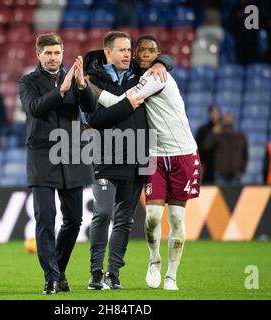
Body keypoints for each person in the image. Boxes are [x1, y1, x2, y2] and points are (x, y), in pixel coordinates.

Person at [97, 34, 201, 290]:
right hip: (154, 154)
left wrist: (90, 87)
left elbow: (121, 102)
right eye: (141, 50)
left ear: (157, 53)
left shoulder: (157, 76)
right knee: (153, 217)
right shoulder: (143, 75)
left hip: (183, 154)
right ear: (135, 54)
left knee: (177, 220)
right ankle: (154, 260)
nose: (146, 54)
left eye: (152, 51)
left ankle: (172, 275)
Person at [84, 31, 174, 290]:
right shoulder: (92, 80)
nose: (127, 54)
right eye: (121, 50)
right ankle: (95, 273)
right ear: (108, 53)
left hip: (138, 157)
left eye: (128, 50)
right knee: (102, 214)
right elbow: (93, 120)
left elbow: (167, 58)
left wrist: (161, 63)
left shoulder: (142, 75)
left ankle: (113, 274)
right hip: (106, 157)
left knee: (125, 220)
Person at [18, 33, 98, 295]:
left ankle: (58, 270)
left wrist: (82, 86)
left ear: (63, 53)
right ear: (38, 55)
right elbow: (35, 108)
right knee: (45, 218)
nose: (53, 58)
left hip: (72, 155)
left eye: (57, 53)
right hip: (41, 156)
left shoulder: (75, 78)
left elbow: (92, 108)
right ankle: (51, 277)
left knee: (74, 220)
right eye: (48, 53)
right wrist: (61, 90)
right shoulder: (27, 82)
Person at [204, 112, 248, 185]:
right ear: (223, 121)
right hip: (220, 174)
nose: (228, 122)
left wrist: (241, 170)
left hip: (235, 175)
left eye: (230, 120)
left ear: (233, 121)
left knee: (235, 196)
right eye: (226, 120)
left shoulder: (240, 137)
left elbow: (245, 155)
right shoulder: (218, 135)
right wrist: (213, 133)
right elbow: (207, 146)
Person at [195, 105, 221, 184]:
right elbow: (198, 148)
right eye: (212, 113)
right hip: (206, 166)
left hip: (219, 168)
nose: (214, 115)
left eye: (216, 113)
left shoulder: (223, 129)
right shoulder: (203, 130)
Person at [228, 0, 259, 65]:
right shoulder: (235, 8)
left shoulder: (253, 8)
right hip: (238, 44)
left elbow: (255, 28)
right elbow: (231, 25)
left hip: (251, 44)